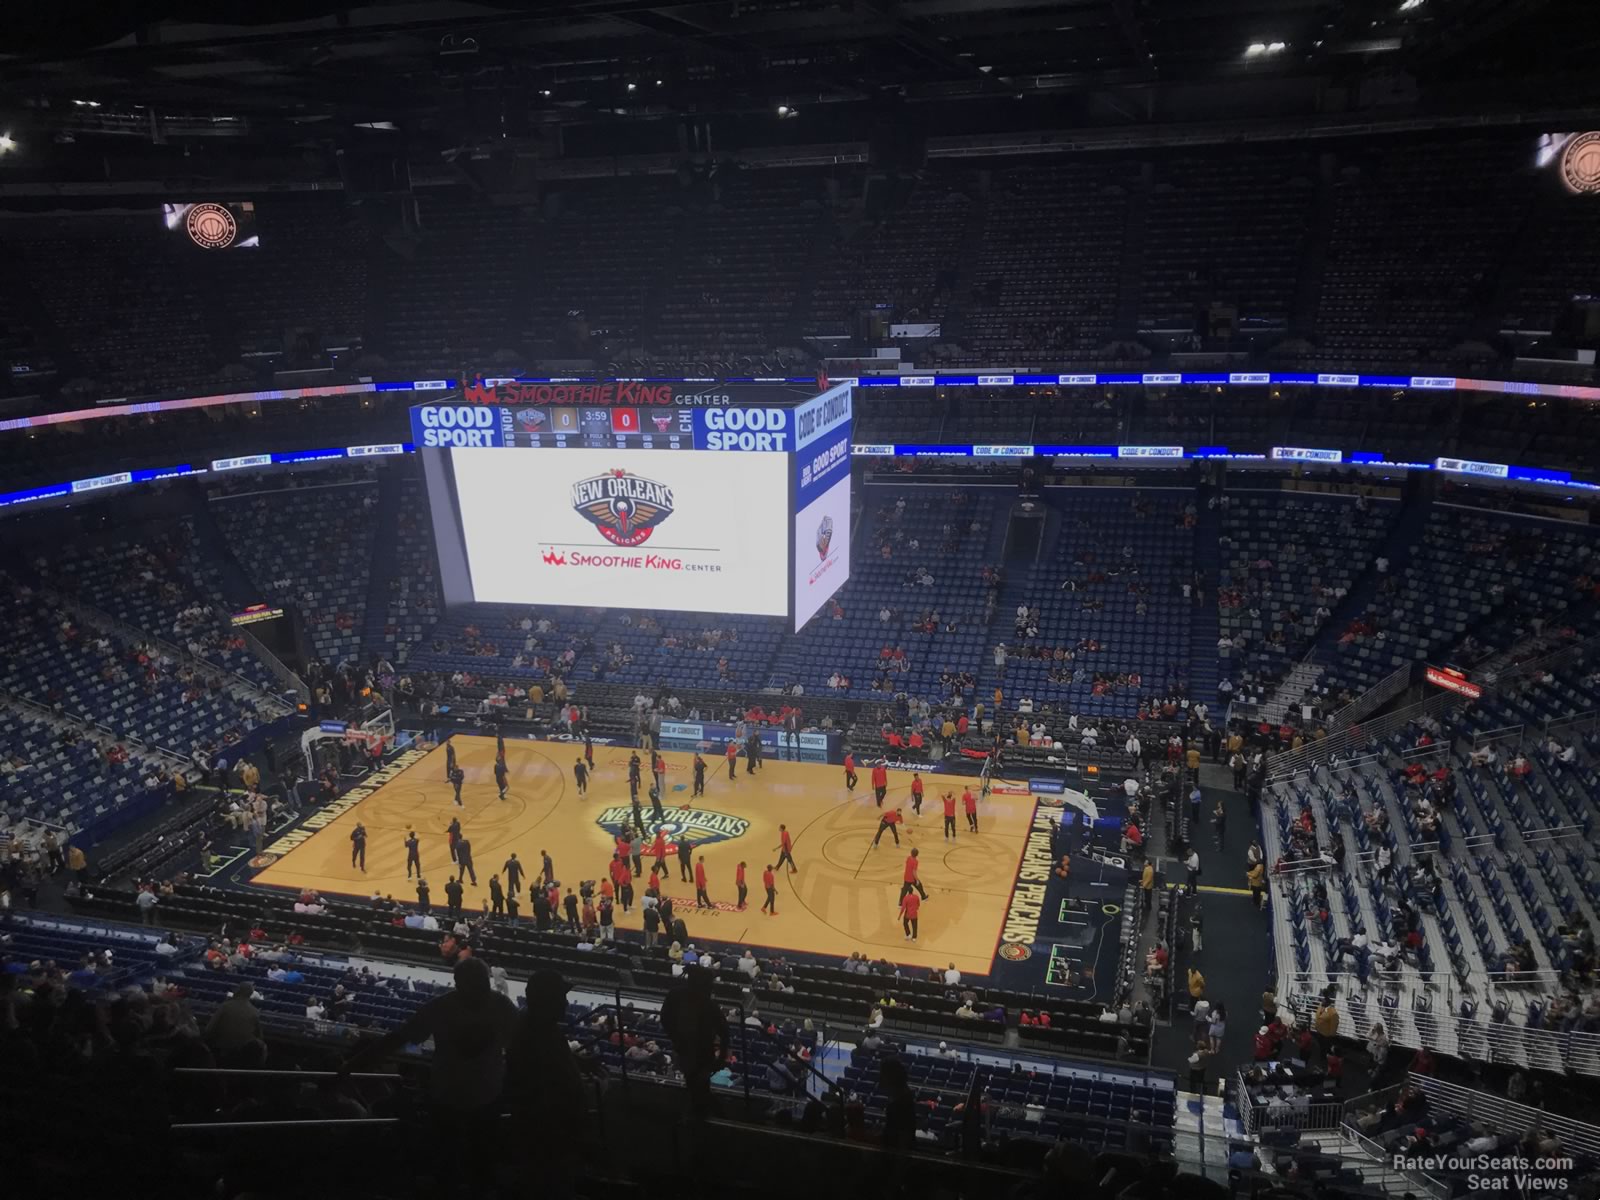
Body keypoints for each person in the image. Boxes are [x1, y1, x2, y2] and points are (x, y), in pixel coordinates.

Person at [343, 957, 519, 1143]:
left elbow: (397, 1039)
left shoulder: (442, 1006)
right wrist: (352, 1065)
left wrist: (351, 1066)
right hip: (478, 1096)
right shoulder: (502, 1006)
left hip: (453, 1095)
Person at [505, 970, 591, 1198]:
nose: (565, 1002)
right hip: (548, 1136)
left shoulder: (540, 1027)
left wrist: (579, 1063)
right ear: (548, 1001)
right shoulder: (535, 1031)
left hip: (550, 1133)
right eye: (560, 997)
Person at [660, 967, 728, 1116]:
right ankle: (708, 1117)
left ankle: (699, 1115)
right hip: (701, 1054)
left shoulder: (676, 995)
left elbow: (664, 1018)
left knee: (695, 1086)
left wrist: (676, 1037)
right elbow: (725, 1034)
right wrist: (721, 1058)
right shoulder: (709, 1005)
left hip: (684, 1049)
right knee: (699, 1088)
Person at [205, 982, 265, 1064]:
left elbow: (209, 1029)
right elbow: (259, 1037)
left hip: (222, 1053)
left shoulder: (225, 1006)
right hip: (242, 1057)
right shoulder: (255, 1012)